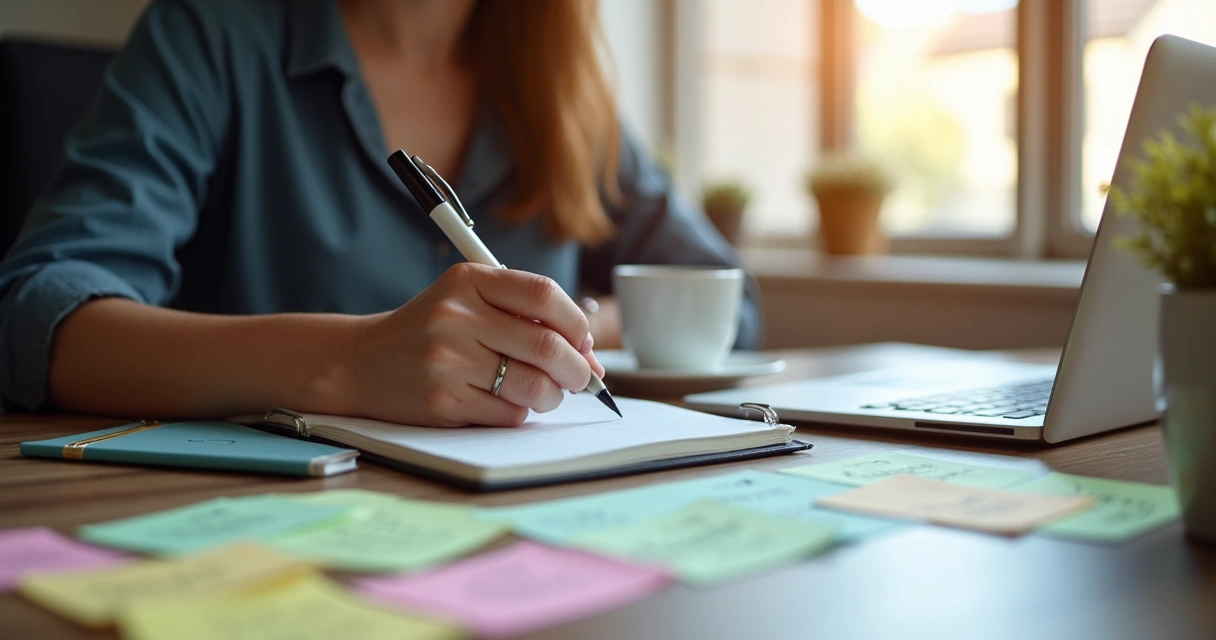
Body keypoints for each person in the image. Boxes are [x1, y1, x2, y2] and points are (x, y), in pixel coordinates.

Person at [0, 0, 760, 427]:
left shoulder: (562, 91)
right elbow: (35, 316)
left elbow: (730, 300)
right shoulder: (211, 32)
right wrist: (344, 361)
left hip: (528, 524)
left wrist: (569, 326)